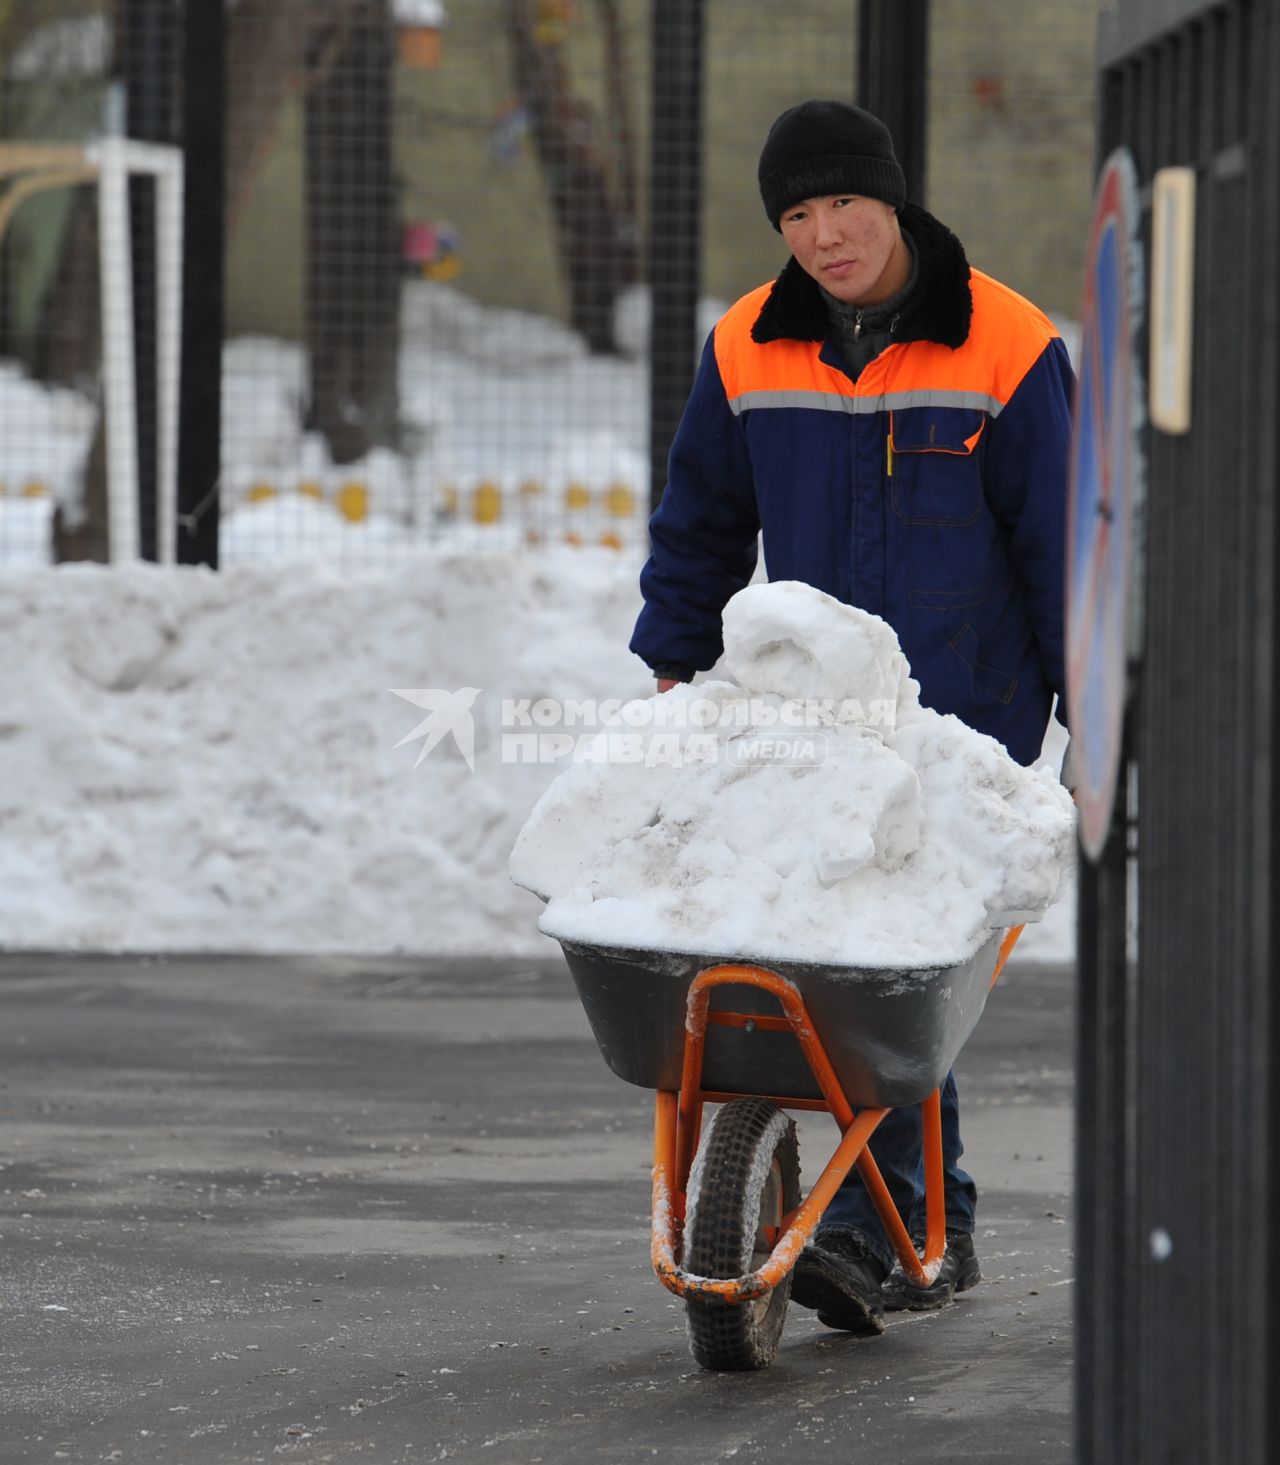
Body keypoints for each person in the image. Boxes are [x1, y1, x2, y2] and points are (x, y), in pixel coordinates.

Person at [629, 99, 1073, 1335]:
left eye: (843, 205)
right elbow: (700, 520)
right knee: (850, 981)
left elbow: (1060, 550)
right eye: (797, 214)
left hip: (961, 726)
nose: (824, 235)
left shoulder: (1006, 343)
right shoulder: (746, 348)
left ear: (892, 197)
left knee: (900, 970)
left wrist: (1090, 725)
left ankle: (886, 1222)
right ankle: (916, 1218)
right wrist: (674, 664)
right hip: (808, 725)